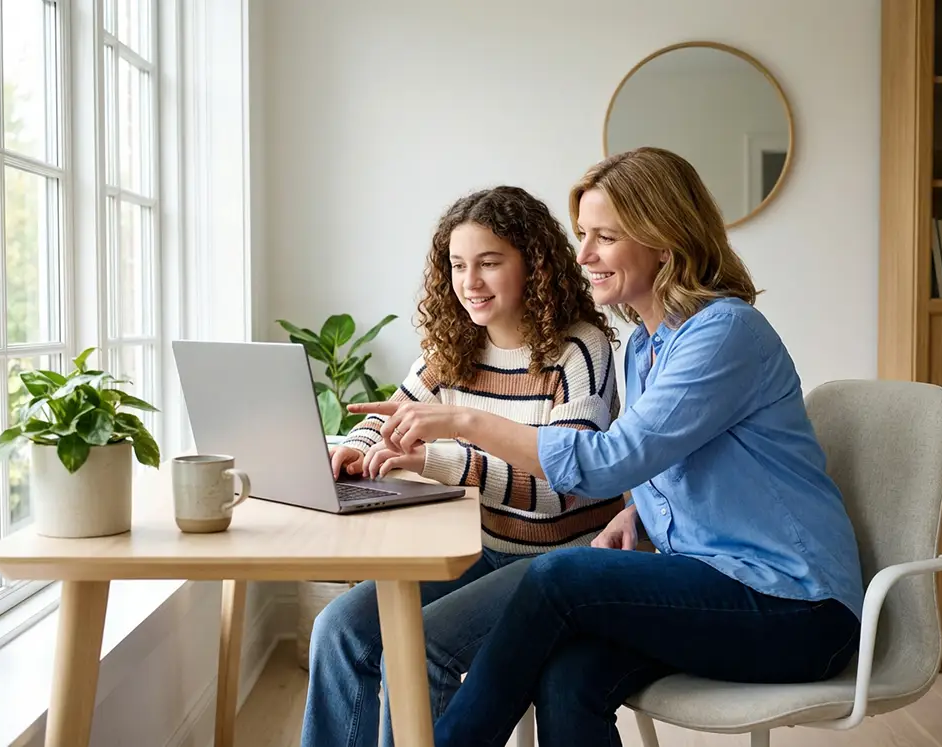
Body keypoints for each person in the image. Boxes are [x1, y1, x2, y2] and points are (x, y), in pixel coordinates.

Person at [350, 147, 866, 747]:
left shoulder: (724, 332)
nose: (584, 255)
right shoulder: (646, 347)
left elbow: (607, 461)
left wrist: (462, 421)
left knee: (555, 577)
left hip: (794, 606)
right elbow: (677, 464)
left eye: (605, 237)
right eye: (583, 235)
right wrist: (640, 515)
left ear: (664, 241)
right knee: (571, 676)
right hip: (715, 586)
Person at [301, 185, 624, 747]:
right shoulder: (451, 347)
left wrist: (441, 460)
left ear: (535, 266)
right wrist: (357, 446)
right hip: (477, 549)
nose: (470, 282)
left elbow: (560, 489)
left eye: (490, 263)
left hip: (560, 562)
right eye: (457, 265)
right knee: (339, 630)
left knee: (422, 645)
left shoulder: (578, 351)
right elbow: (391, 414)